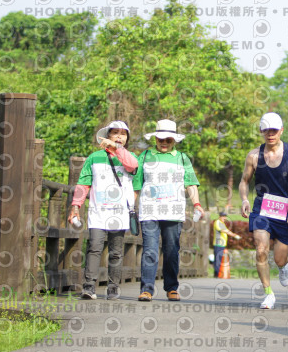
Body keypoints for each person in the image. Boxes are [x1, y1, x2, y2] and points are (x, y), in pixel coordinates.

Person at [239, 112, 288, 309]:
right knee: (261, 249)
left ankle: (284, 266)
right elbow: (244, 181)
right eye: (266, 130)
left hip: (287, 212)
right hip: (262, 209)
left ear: (281, 130)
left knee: (279, 258)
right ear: (262, 131)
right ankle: (268, 294)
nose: (270, 134)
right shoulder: (254, 156)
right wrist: (245, 199)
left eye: (274, 130)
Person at [132, 119, 204, 302]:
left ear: (174, 140)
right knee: (149, 250)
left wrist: (196, 204)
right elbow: (137, 183)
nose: (164, 142)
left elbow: (191, 183)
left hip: (173, 211)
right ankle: (146, 289)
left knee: (172, 251)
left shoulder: (182, 158)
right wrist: (131, 206)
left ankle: (171, 287)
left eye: (168, 139)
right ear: (155, 138)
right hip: (149, 211)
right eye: (160, 139)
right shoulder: (145, 156)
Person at [68, 120, 138, 300]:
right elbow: (83, 183)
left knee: (115, 251)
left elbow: (132, 166)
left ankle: (113, 287)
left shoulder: (130, 157)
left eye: (123, 134)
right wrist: (76, 206)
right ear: (107, 136)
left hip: (120, 212)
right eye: (115, 133)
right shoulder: (94, 157)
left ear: (127, 138)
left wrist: (117, 148)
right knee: (94, 248)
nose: (119, 136)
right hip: (98, 211)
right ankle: (89, 287)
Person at [213, 211, 241, 277]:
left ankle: (218, 273)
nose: (224, 218)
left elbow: (227, 231)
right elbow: (224, 231)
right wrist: (233, 235)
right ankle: (217, 274)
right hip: (218, 243)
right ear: (220, 216)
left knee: (219, 259)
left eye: (225, 216)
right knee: (217, 259)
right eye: (223, 216)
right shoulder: (217, 222)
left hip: (222, 244)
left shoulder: (222, 223)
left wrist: (233, 235)